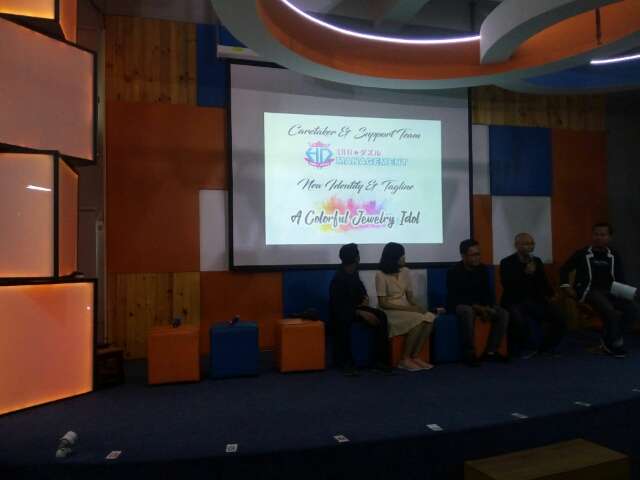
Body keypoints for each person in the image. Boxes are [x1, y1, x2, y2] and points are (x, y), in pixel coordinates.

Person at [560, 222, 640, 358]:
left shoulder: (613, 254)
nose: (599, 237)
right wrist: (565, 285)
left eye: (603, 235)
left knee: (632, 309)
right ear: (592, 236)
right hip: (588, 290)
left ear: (609, 237)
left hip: (611, 291)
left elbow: (620, 278)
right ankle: (612, 344)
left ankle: (610, 339)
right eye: (596, 234)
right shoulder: (582, 253)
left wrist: (628, 293)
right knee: (610, 311)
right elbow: (564, 269)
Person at [500, 233, 566, 358]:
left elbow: (543, 282)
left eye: (532, 243)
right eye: (526, 244)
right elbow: (509, 286)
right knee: (519, 320)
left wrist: (552, 295)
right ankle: (523, 349)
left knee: (560, 317)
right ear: (517, 245)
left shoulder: (536, 261)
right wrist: (525, 273)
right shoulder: (507, 263)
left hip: (535, 300)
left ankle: (546, 347)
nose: (530, 246)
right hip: (514, 301)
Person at [329, 243, 391, 375]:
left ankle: (380, 362)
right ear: (356, 258)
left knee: (381, 316)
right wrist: (360, 312)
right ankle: (346, 363)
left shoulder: (354, 273)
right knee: (343, 322)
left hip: (357, 309)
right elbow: (338, 306)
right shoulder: (338, 278)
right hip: (343, 312)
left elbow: (361, 291)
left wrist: (365, 299)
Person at [447, 239, 509, 367]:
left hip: (480, 305)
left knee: (503, 313)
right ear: (463, 256)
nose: (477, 258)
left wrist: (488, 307)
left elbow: (487, 292)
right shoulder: (454, 271)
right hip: (460, 304)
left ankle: (491, 351)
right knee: (467, 311)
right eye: (473, 255)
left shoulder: (482, 269)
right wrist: (479, 308)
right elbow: (456, 297)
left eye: (478, 254)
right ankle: (469, 353)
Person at [375, 242, 435, 372]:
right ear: (394, 258)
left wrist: (418, 307)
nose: (404, 258)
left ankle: (415, 356)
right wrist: (411, 309)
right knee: (417, 320)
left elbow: (410, 298)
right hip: (389, 310)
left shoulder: (406, 271)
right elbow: (383, 303)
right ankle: (404, 359)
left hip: (405, 307)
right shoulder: (380, 275)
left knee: (429, 317)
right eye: (402, 255)